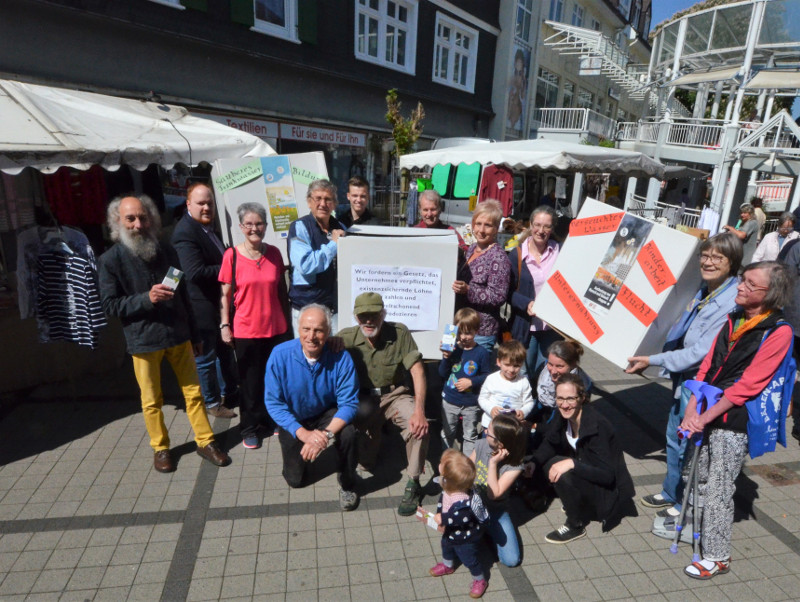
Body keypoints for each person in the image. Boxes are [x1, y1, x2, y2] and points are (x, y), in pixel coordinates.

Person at [678, 261, 794, 579]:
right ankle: (699, 533)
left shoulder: (778, 331)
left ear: (769, 294)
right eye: (742, 280)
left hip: (734, 419)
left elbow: (748, 386)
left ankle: (718, 557)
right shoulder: (734, 318)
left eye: (749, 283)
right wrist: (692, 409)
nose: (740, 286)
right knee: (698, 477)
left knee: (718, 487)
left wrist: (702, 418)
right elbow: (706, 367)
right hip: (707, 410)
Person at [98, 194, 230, 473]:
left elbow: (184, 298)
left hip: (178, 333)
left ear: (152, 219)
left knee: (194, 394)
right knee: (151, 401)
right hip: (143, 340)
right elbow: (109, 306)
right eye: (130, 219)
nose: (138, 224)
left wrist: (195, 335)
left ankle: (205, 441)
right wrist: (147, 298)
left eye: (143, 217)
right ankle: (161, 448)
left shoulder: (167, 251)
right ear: (117, 222)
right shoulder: (110, 260)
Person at [626, 233, 741, 521]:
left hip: (703, 383)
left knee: (691, 445)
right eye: (705, 255)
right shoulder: (704, 288)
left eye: (718, 257)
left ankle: (685, 500)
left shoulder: (730, 301)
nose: (708, 262)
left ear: (732, 263)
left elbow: (701, 353)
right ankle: (670, 490)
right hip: (684, 378)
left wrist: (652, 360)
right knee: (674, 437)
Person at [338, 292, 430, 516]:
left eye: (374, 315)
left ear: (383, 314)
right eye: (363, 316)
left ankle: (414, 482)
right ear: (356, 317)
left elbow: (417, 371)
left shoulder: (399, 333)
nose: (369, 321)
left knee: (418, 428)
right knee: (363, 458)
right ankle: (358, 466)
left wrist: (419, 411)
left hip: (395, 395)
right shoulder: (345, 338)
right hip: (363, 400)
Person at [264, 304, 360, 510]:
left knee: (349, 433)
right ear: (298, 329)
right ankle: (300, 454)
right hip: (294, 418)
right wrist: (303, 434)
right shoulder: (279, 355)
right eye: (306, 329)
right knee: (295, 480)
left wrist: (323, 436)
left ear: (328, 332)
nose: (311, 336)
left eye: (319, 330)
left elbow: (349, 403)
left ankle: (348, 482)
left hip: (326, 413)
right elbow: (273, 403)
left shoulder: (341, 357)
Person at [219, 202, 290, 450]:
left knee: (275, 380)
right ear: (240, 227)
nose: (254, 228)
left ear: (266, 226)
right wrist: (224, 325)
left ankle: (272, 421)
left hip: (276, 329)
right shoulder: (232, 256)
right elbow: (225, 295)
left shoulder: (274, 253)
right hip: (247, 330)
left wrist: (289, 326)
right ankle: (249, 428)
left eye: (259, 223)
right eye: (248, 224)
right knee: (250, 383)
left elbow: (282, 291)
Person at [532, 374, 635, 544]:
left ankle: (575, 524)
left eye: (570, 399)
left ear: (582, 398)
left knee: (561, 469)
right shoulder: (564, 415)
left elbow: (608, 475)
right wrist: (533, 463)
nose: (565, 405)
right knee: (548, 463)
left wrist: (572, 463)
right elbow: (551, 442)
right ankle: (577, 502)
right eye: (560, 398)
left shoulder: (596, 426)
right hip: (587, 472)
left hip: (605, 491)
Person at [171, 182, 238, 419]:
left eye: (209, 203)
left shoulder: (207, 228)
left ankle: (230, 392)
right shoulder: (185, 232)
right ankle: (211, 403)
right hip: (201, 307)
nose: (207, 207)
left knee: (224, 352)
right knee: (207, 358)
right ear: (188, 204)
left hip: (216, 305)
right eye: (201, 203)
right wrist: (231, 267)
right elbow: (194, 272)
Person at [508, 205, 562, 377]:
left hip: (552, 327)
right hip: (526, 326)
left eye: (546, 226)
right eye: (537, 225)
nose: (541, 230)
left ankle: (544, 404)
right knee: (525, 373)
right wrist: (526, 303)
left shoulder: (560, 251)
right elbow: (507, 292)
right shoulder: (516, 255)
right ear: (530, 225)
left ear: (552, 228)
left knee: (549, 374)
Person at [428, 449, 489, 599]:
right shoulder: (449, 485)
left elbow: (459, 518)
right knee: (446, 546)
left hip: (465, 538)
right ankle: (448, 565)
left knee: (469, 558)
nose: (439, 464)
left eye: (441, 463)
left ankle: (480, 579)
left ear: (448, 477)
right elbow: (443, 502)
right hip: (450, 532)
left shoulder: (463, 503)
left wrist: (443, 519)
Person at [288, 179, 345, 335]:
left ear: (334, 204)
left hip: (334, 309)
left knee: (334, 354)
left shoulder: (341, 228)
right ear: (309, 202)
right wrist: (334, 245)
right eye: (318, 198)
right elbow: (305, 265)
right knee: (308, 354)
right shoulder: (299, 227)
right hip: (306, 308)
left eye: (328, 199)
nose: (323, 204)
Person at [453, 200, 511, 351]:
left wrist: (469, 290)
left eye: (488, 225)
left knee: (472, 373)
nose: (481, 230)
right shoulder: (472, 248)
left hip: (480, 331)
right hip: (461, 326)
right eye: (478, 223)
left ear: (496, 228)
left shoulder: (498, 257)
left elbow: (498, 295)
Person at [469, 413, 526, 567]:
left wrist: (493, 464)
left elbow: (493, 494)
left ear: (500, 444)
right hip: (473, 505)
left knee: (511, 560)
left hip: (496, 511)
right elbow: (466, 470)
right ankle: (482, 529)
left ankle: (486, 529)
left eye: (489, 431)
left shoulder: (514, 466)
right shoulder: (481, 444)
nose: (485, 431)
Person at [439, 308, 493, 456]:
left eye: (468, 333)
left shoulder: (481, 352)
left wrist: (471, 382)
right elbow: (442, 373)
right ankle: (446, 464)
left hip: (470, 403)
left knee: (469, 436)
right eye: (460, 332)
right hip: (450, 400)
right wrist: (445, 357)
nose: (463, 337)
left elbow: (487, 375)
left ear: (476, 331)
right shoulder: (453, 348)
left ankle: (467, 467)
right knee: (448, 433)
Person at [535, 341, 593, 426]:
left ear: (572, 365)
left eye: (559, 366)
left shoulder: (583, 384)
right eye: (550, 364)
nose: (553, 371)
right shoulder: (543, 369)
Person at [478, 340, 534, 429]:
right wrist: (491, 409)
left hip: (513, 426)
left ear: (522, 364)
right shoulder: (491, 379)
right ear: (499, 362)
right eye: (507, 365)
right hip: (491, 424)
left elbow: (529, 402)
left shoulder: (523, 381)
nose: (511, 370)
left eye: (516, 366)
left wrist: (523, 412)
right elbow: (482, 398)